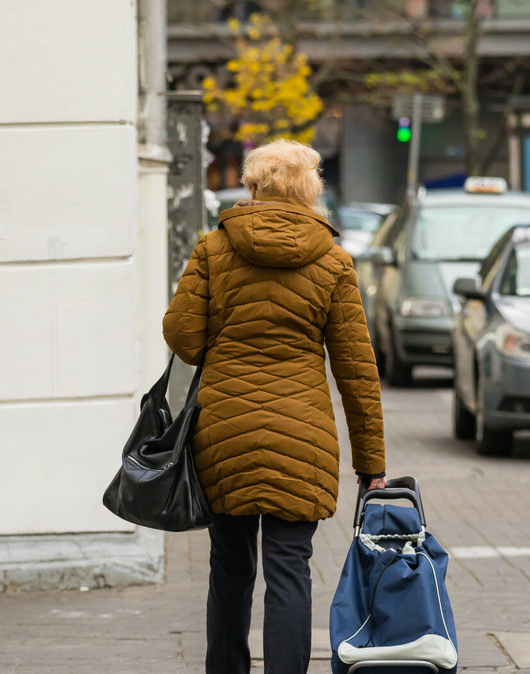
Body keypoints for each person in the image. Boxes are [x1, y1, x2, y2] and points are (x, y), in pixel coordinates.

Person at [163, 139, 387, 674]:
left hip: (225, 433)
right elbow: (357, 371)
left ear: (253, 186)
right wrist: (371, 465)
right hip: (301, 436)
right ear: (310, 191)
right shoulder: (333, 260)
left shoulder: (214, 250)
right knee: (290, 569)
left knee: (230, 569)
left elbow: (184, 339)